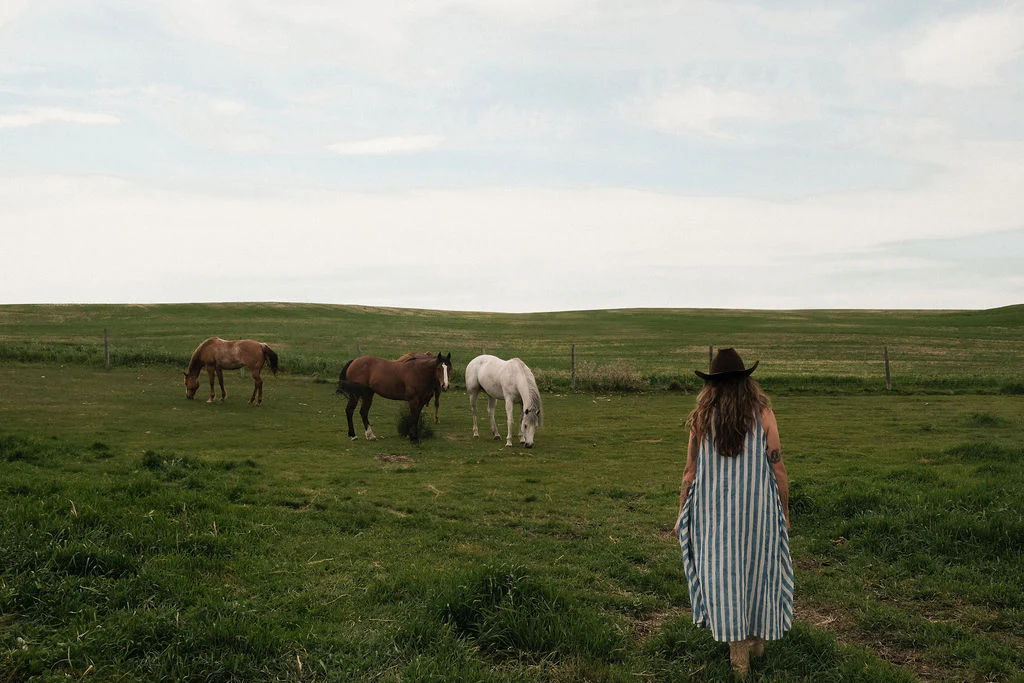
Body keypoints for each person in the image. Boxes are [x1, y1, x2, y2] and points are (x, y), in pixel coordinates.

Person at [672, 348, 793, 678]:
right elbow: (777, 467)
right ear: (746, 382)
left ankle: (737, 655)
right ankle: (756, 643)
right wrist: (783, 510)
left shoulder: (701, 419)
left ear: (712, 385)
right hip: (759, 512)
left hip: (715, 516)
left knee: (723, 574)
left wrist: (682, 510)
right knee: (759, 567)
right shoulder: (763, 414)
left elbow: (690, 471)